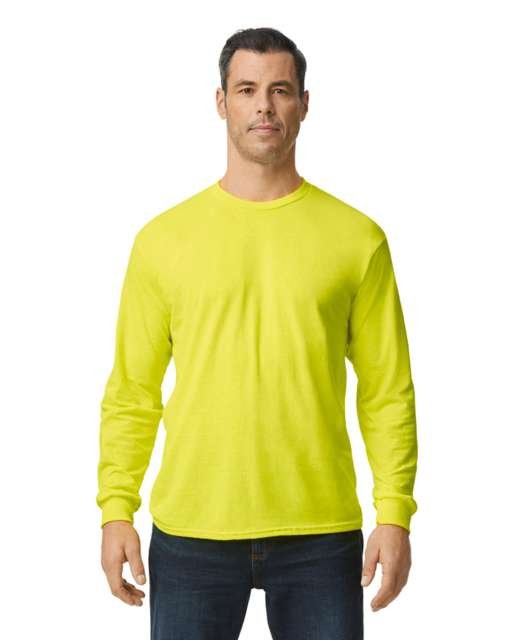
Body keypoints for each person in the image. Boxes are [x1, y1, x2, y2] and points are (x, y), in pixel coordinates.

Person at [96, 27, 418, 639]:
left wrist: (394, 513)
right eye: (246, 90)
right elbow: (133, 390)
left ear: (304, 103)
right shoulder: (163, 241)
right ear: (221, 102)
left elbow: (387, 391)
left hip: (320, 532)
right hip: (192, 529)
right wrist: (116, 508)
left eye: (280, 90)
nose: (263, 106)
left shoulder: (357, 239)